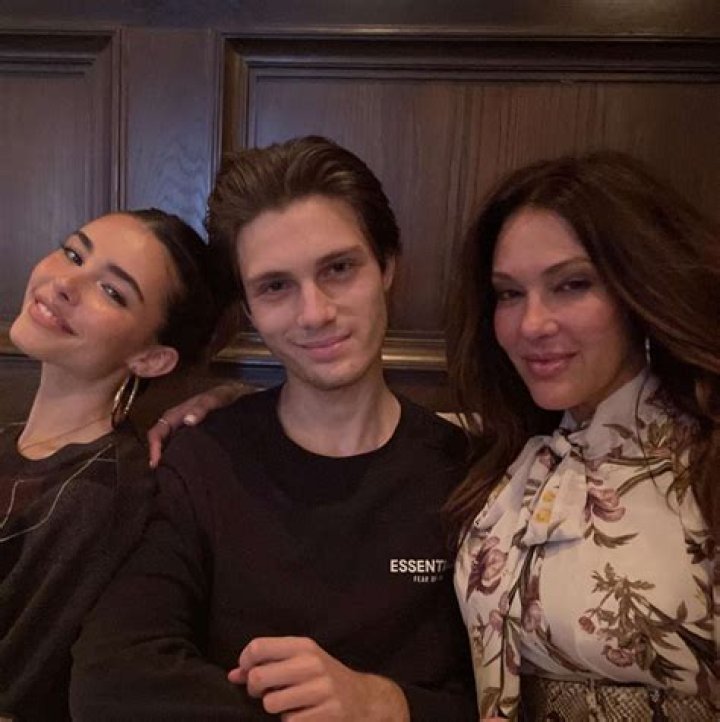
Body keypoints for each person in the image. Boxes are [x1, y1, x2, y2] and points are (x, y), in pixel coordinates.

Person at [70, 136, 477, 721]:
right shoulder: (202, 461)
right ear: (250, 311)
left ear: (387, 267)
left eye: (339, 269)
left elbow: (508, 697)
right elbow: (112, 679)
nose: (315, 313)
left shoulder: (469, 474)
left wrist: (383, 705)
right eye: (275, 286)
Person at [445, 151, 720, 720]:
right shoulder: (512, 459)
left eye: (571, 285)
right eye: (509, 293)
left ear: (639, 289)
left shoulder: (704, 462)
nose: (532, 324)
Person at [0, 208, 225, 722]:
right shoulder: (14, 442)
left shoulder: (100, 491)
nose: (64, 283)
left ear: (151, 358)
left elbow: (19, 685)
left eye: (112, 291)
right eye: (73, 253)